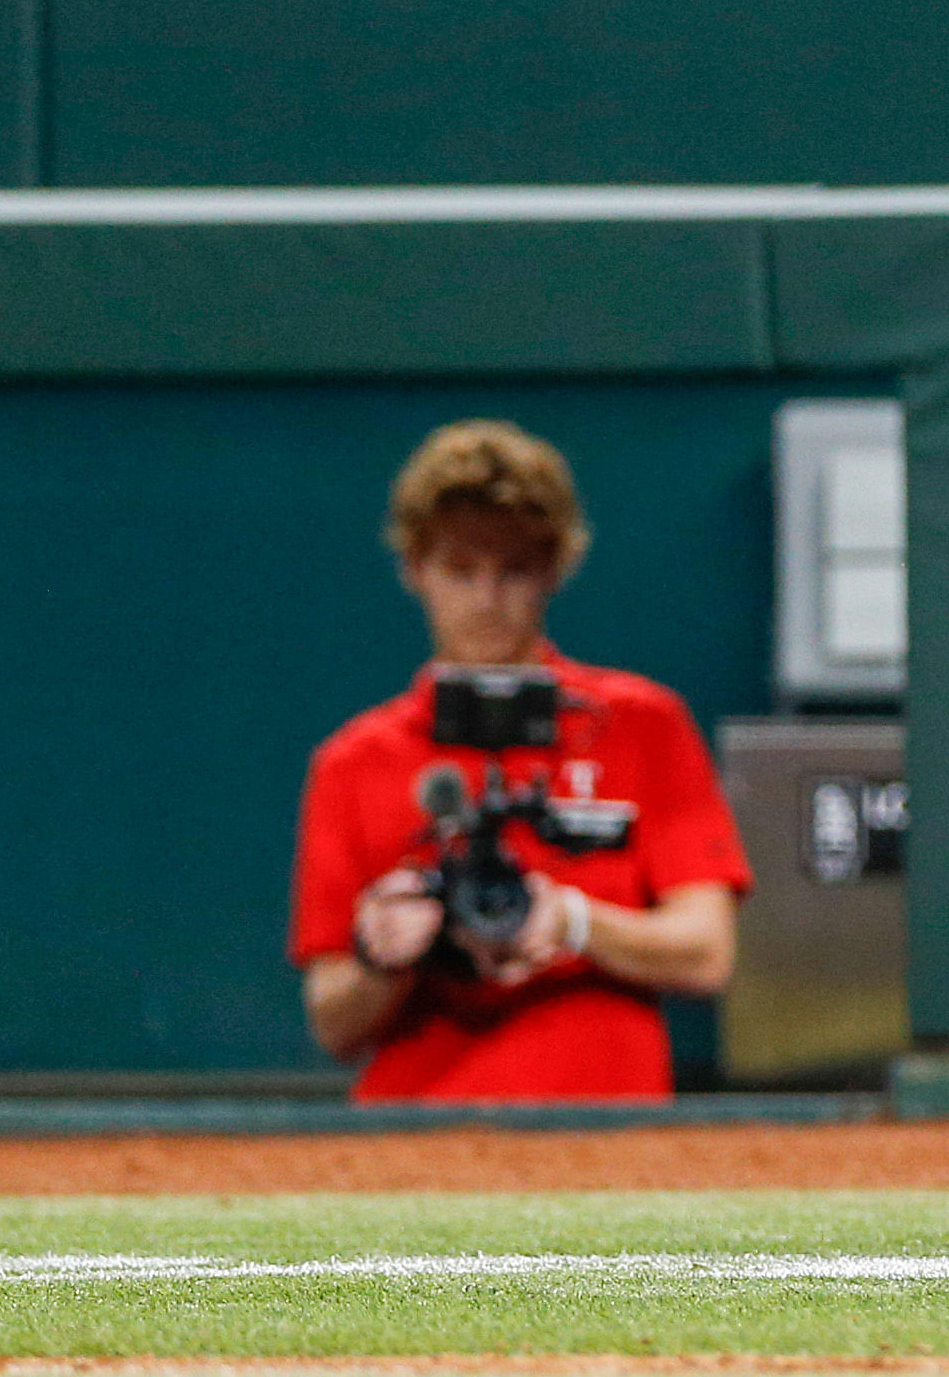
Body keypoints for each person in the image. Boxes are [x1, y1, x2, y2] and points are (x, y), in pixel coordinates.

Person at [288, 420, 751, 1102]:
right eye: (459, 569)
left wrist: (570, 920)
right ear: (415, 570)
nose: (485, 599)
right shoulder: (354, 760)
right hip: (415, 1120)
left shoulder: (641, 724)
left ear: (555, 569)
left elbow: (708, 952)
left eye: (514, 569)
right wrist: (385, 958)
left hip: (598, 1109)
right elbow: (332, 1021)